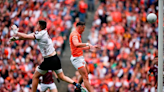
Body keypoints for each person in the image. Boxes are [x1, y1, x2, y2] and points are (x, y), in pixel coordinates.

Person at [9, 20, 81, 92]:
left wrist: (16, 32)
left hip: (49, 59)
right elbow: (26, 36)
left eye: (37, 25)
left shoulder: (41, 34)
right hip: (55, 58)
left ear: (39, 26)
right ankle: (76, 84)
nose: (36, 26)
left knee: (35, 76)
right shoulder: (42, 32)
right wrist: (17, 38)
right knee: (62, 76)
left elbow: (27, 36)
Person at [69, 22, 99, 92]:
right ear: (80, 27)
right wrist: (87, 43)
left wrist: (90, 47)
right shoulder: (74, 35)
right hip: (77, 59)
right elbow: (76, 44)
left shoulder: (77, 34)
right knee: (85, 76)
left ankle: (77, 87)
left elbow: (79, 48)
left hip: (80, 57)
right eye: (83, 28)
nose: (84, 30)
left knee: (87, 72)